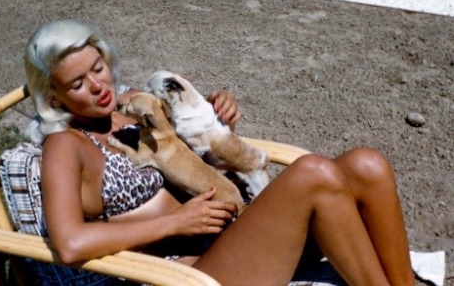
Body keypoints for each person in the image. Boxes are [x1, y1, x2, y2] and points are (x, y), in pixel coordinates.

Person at [24, 19, 415, 286]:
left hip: (231, 234)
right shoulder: (64, 146)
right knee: (313, 173)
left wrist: (219, 111)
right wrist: (175, 223)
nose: (98, 85)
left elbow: (199, 150)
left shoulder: (134, 105)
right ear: (54, 98)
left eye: (98, 67)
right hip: (184, 273)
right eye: (78, 83)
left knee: (367, 164)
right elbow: (71, 243)